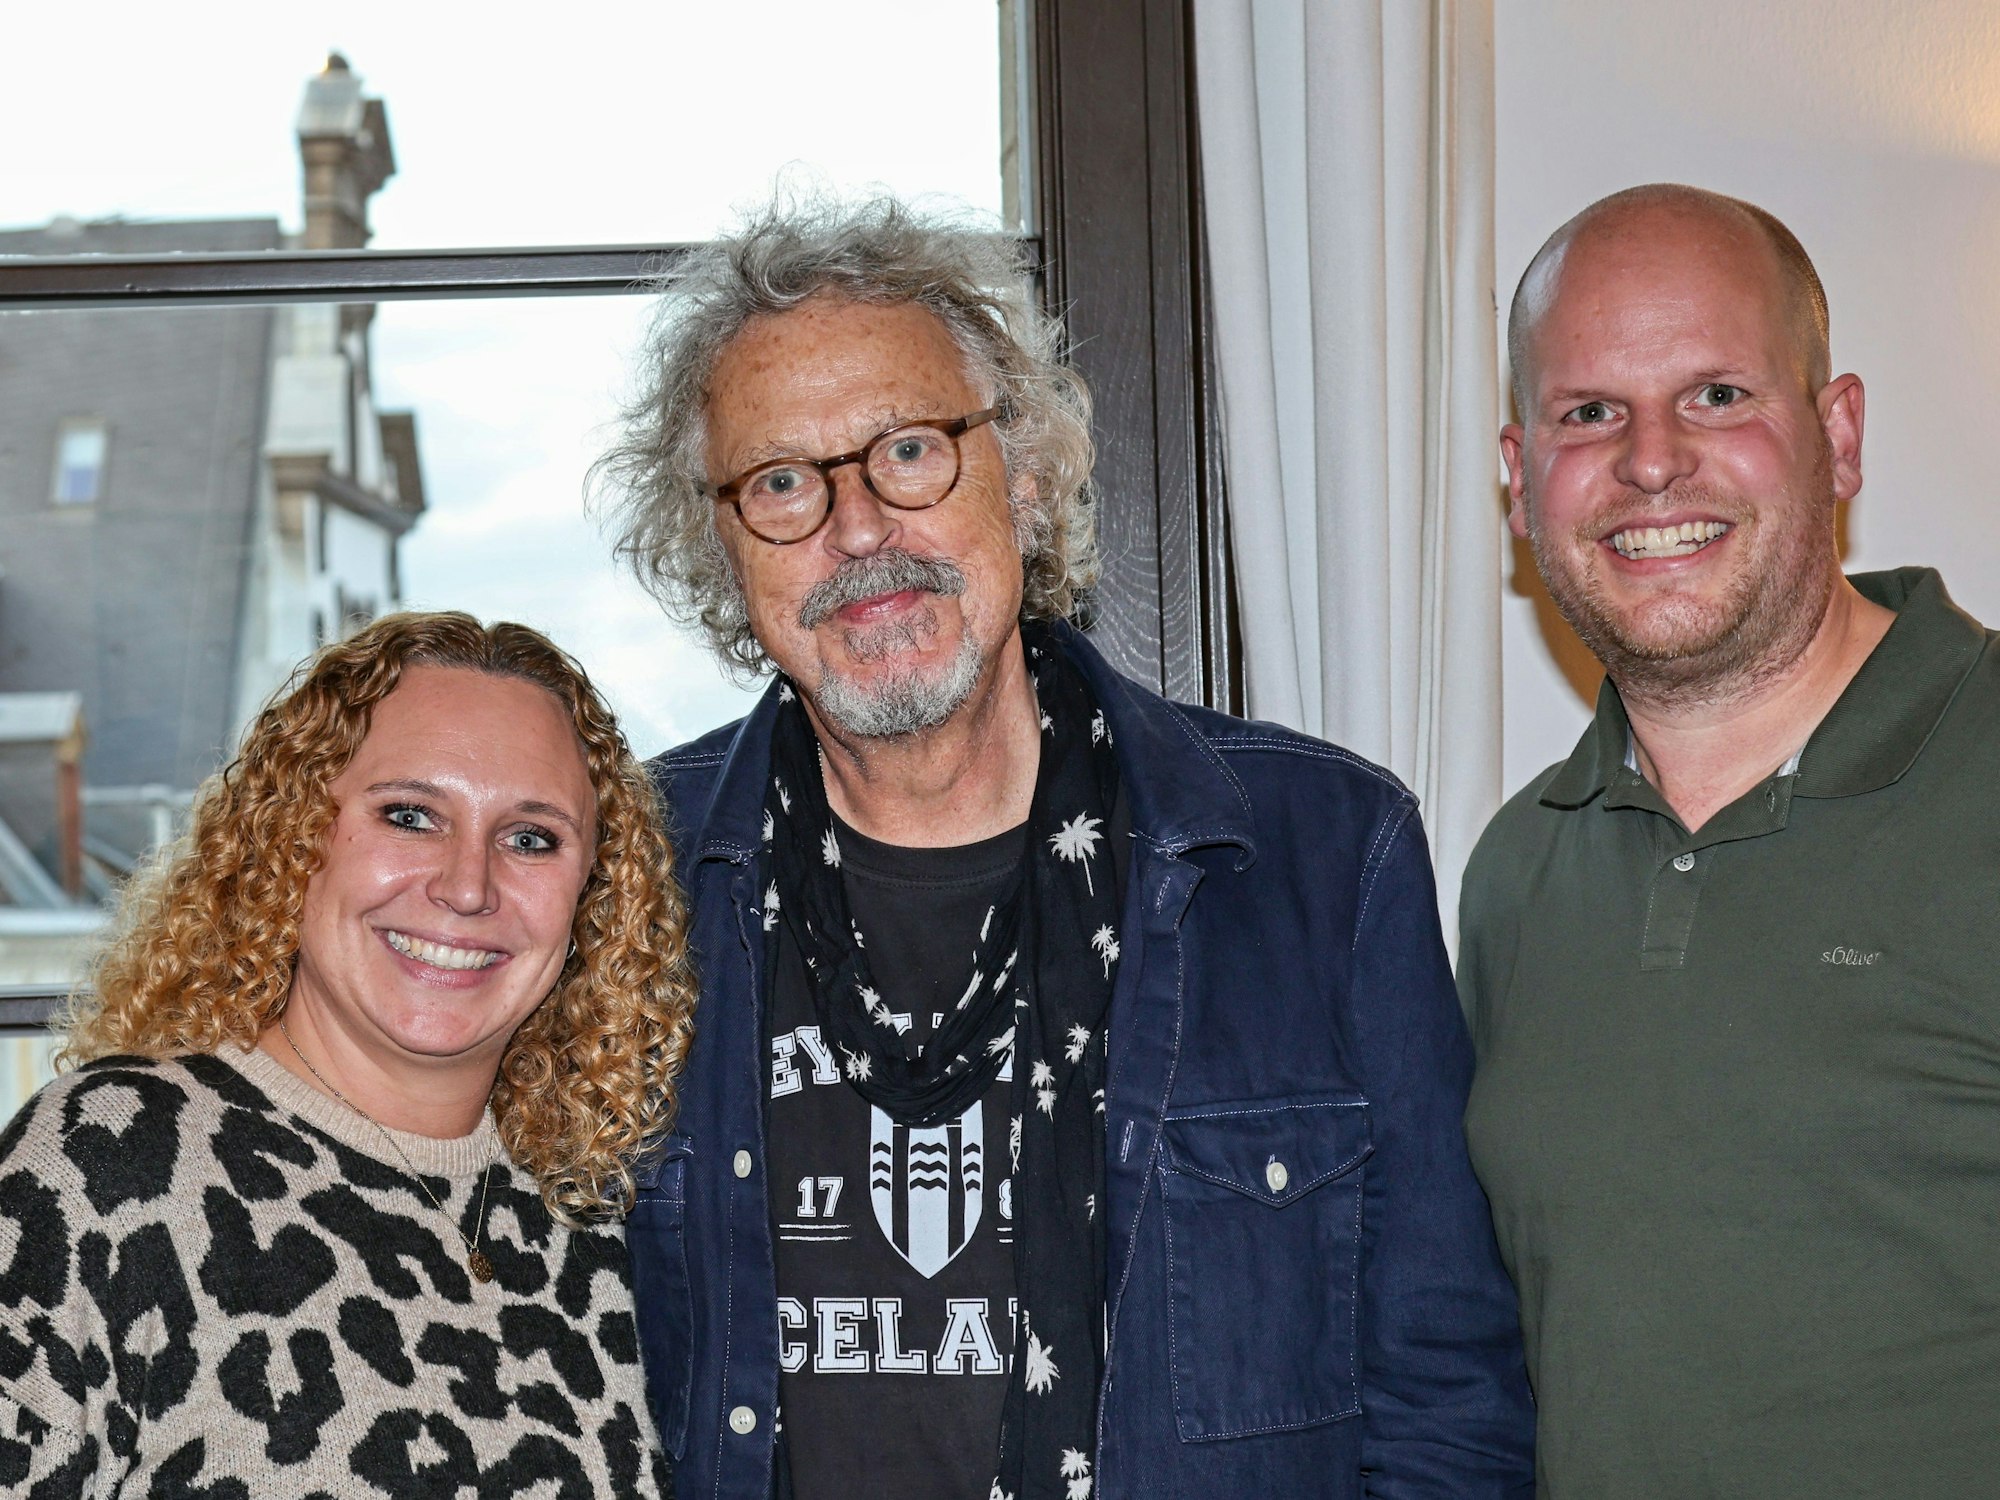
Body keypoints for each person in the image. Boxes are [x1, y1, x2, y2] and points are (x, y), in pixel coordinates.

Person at [595, 196, 1533, 1500]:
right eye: (782, 484)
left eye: (911, 450)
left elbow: (1447, 1402)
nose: (859, 530)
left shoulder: (1320, 857)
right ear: (723, 548)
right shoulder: (622, 879)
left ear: (1025, 479)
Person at [1461, 182, 2000, 1497]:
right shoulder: (1517, 874)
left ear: (1839, 433)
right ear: (1522, 480)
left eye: (1717, 395)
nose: (1652, 460)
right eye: (1591, 412)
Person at [0, 612, 696, 1495]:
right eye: (410, 816)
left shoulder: (595, 1222)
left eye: (531, 838)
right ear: (296, 837)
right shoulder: (117, 1162)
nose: (467, 886)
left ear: (595, 894)